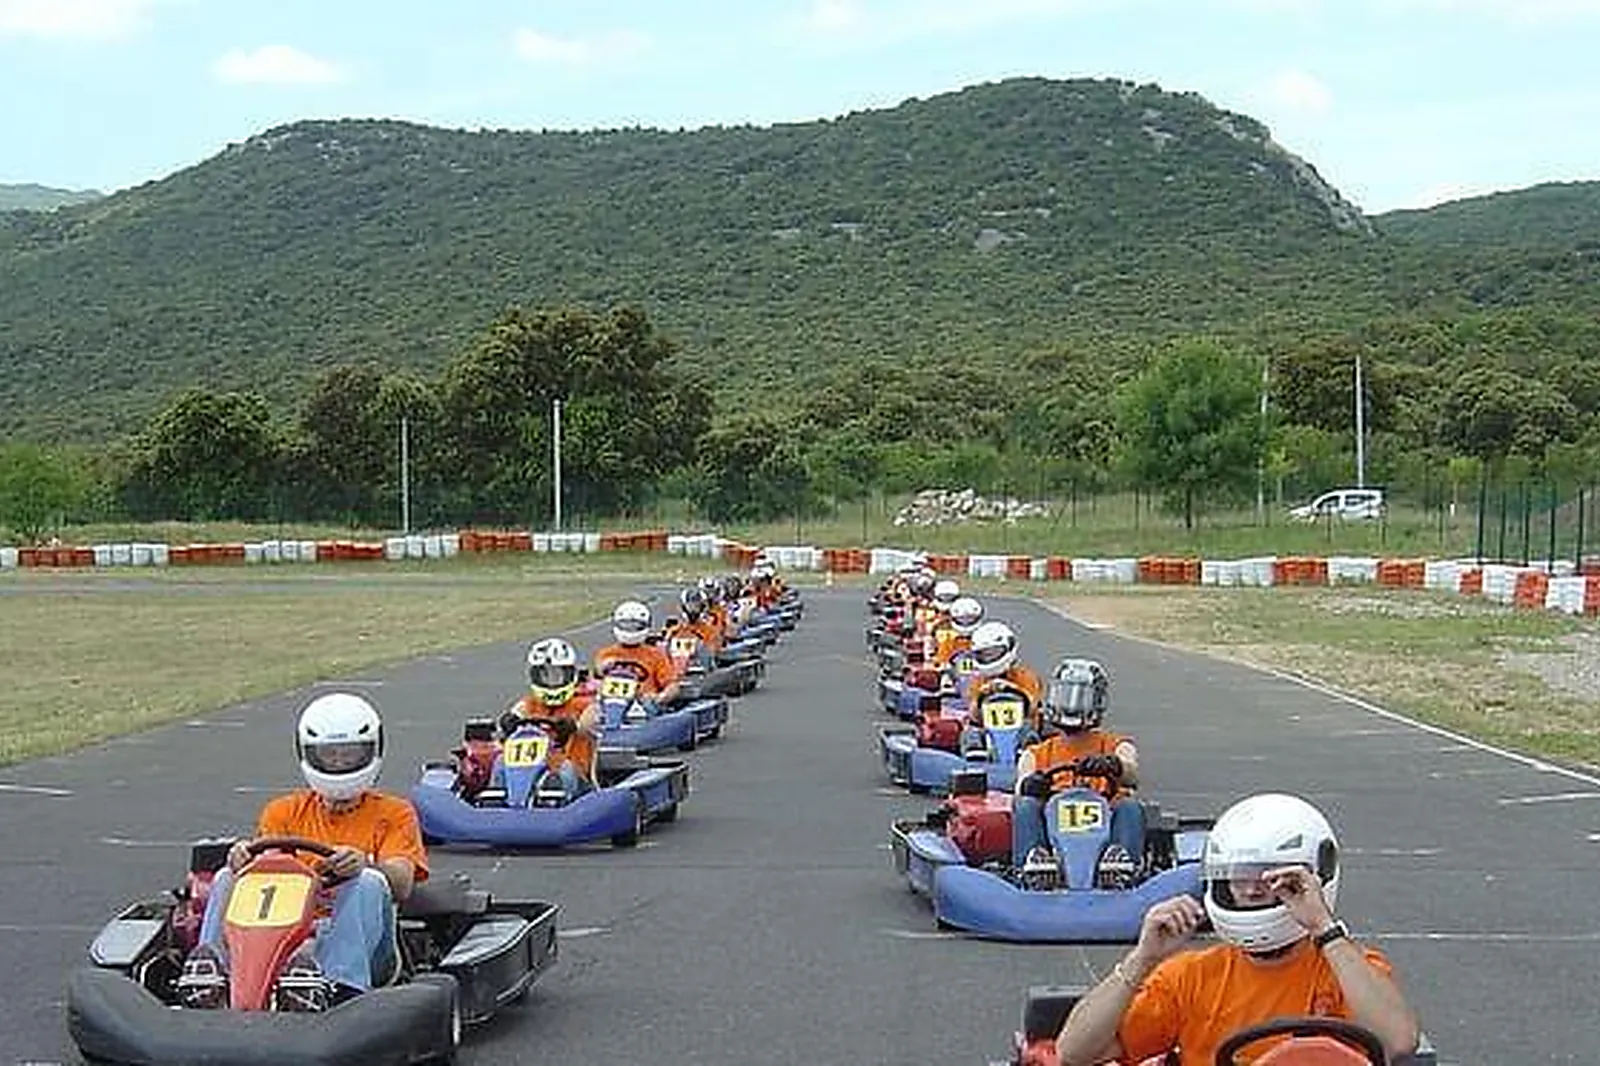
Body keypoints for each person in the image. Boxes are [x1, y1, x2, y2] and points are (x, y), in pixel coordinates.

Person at [1055, 793, 1421, 1066]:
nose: (1250, 889)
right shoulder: (1189, 976)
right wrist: (1142, 958)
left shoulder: (1348, 969)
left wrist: (1323, 927)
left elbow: (1399, 1042)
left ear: (1312, 878)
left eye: (1270, 877)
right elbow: (1075, 1052)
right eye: (1239, 877)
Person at [177, 692, 429, 1013]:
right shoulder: (282, 812)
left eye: (348, 754)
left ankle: (339, 989)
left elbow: (403, 881)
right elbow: (263, 881)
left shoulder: (395, 813)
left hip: (361, 943)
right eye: (329, 755)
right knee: (228, 876)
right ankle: (212, 978)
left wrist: (364, 863)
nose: (338, 762)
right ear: (308, 754)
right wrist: (244, 860)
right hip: (282, 940)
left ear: (371, 751)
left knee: (367, 881)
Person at [1011, 658, 1144, 878]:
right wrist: (1033, 785)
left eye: (1080, 698)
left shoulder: (1116, 745)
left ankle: (1121, 867)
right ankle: (1033, 866)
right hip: (1051, 825)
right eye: (1065, 696)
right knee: (1025, 806)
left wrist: (1113, 766)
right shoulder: (1035, 753)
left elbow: (1133, 775)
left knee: (1130, 806)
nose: (1071, 705)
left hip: (1106, 820)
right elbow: (1020, 788)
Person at [496, 637, 600, 798]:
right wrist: (509, 721)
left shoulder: (584, 705)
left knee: (563, 772)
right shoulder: (529, 704)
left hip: (574, 775)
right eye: (545, 676)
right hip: (530, 771)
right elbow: (515, 713)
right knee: (500, 762)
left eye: (558, 676)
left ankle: (556, 809)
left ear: (571, 674)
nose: (552, 683)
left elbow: (591, 721)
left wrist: (574, 726)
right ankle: (497, 805)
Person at [958, 620, 1046, 756]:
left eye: (993, 653)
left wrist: (1013, 689)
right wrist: (983, 694)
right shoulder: (977, 681)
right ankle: (976, 762)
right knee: (969, 734)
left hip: (1022, 730)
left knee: (1033, 732)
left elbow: (1033, 708)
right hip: (987, 735)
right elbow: (974, 717)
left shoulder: (1027, 677)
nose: (989, 658)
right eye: (984, 655)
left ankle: (1028, 756)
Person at [592, 599, 683, 708]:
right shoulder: (605, 654)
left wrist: (661, 697)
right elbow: (595, 682)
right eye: (626, 625)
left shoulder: (656, 655)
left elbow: (671, 685)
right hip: (608, 705)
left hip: (643, 708)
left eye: (635, 626)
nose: (630, 629)